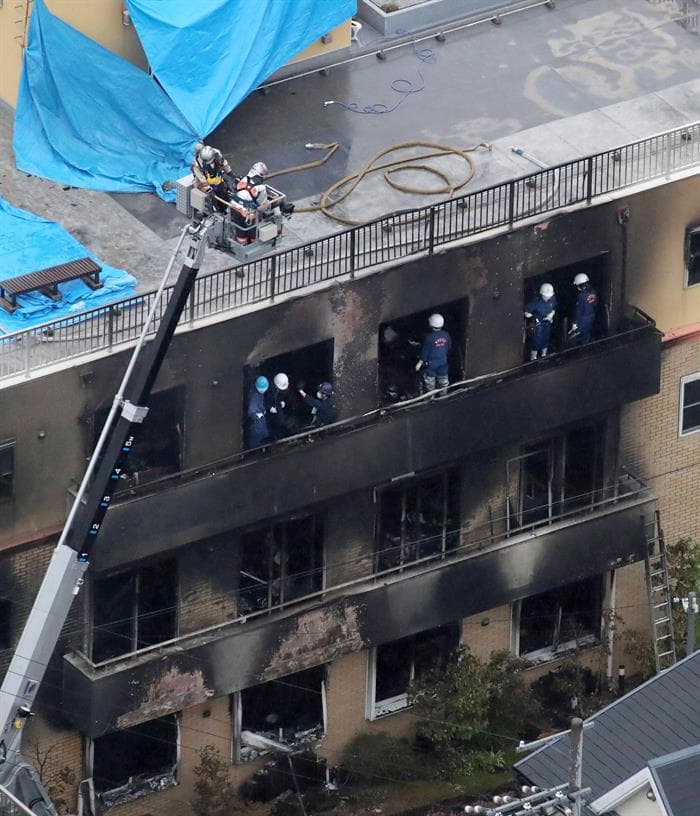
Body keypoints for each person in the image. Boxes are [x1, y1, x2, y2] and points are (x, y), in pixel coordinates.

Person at [415, 313, 451, 392]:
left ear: (430, 324)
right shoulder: (446, 335)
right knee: (443, 382)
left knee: (430, 384)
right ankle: (444, 397)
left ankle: (430, 399)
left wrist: (419, 363)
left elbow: (425, 352)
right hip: (443, 362)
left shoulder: (429, 338)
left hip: (431, 364)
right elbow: (449, 347)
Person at [191, 144, 233, 211]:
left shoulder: (217, 154)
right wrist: (209, 190)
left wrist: (229, 172)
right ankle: (211, 210)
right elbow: (201, 178)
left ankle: (224, 208)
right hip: (202, 182)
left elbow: (224, 163)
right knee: (211, 198)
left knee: (223, 192)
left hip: (215, 178)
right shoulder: (197, 163)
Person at [524, 283, 557, 360]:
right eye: (546, 296)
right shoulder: (536, 302)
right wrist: (529, 314)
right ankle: (533, 358)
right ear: (542, 294)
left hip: (547, 322)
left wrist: (552, 314)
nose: (548, 297)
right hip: (538, 324)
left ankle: (544, 356)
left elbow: (554, 307)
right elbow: (526, 311)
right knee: (537, 341)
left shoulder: (552, 299)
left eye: (549, 296)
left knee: (546, 338)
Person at [569, 272, 598, 345]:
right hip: (591, 315)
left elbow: (579, 310)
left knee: (577, 337)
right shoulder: (593, 292)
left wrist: (575, 322)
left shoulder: (581, 296)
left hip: (583, 319)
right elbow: (595, 303)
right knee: (587, 333)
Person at [246, 376, 271, 449]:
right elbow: (251, 412)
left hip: (261, 418)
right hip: (256, 422)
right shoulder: (254, 397)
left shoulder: (258, 393)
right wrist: (258, 415)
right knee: (257, 436)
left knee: (263, 433)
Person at [266, 372, 292, 440]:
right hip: (270, 406)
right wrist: (269, 407)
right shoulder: (269, 387)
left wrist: (282, 401)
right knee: (269, 421)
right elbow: (264, 399)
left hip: (278, 404)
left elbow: (284, 394)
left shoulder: (285, 386)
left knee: (281, 420)